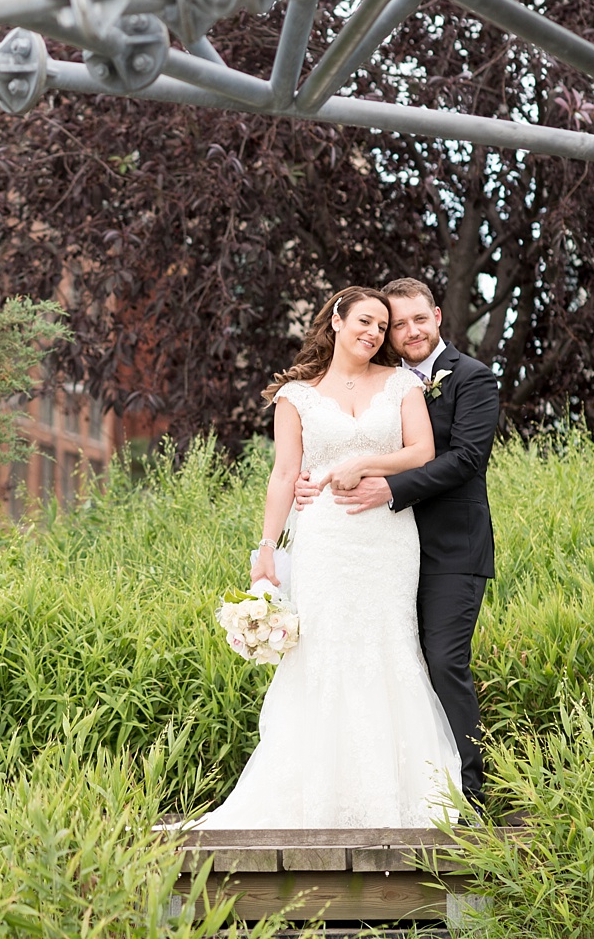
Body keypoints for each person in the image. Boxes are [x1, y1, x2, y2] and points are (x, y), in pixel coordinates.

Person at [193, 287, 462, 830]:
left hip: (386, 539)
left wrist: (363, 463)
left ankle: (400, 799)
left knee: (390, 646)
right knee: (324, 651)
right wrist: (266, 548)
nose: (374, 333)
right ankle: (313, 799)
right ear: (336, 321)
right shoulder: (297, 396)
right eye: (365, 320)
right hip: (323, 542)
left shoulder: (404, 384)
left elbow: (422, 453)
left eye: (382, 327)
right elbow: (284, 475)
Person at [297, 277, 499, 812]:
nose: (407, 331)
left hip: (452, 548)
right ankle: (376, 786)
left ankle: (470, 797)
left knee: (442, 661)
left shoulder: (473, 379)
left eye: (417, 319)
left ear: (437, 316)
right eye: (396, 323)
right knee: (382, 658)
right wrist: (310, 478)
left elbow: (466, 460)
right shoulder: (379, 379)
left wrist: (390, 487)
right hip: (381, 547)